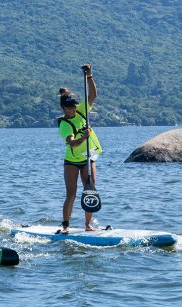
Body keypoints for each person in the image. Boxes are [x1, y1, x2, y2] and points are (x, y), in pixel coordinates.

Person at [57, 64, 103, 234]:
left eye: (74, 106)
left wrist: (89, 76)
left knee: (90, 190)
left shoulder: (81, 112)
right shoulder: (64, 124)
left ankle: (88, 225)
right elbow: (71, 142)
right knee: (71, 194)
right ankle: (66, 226)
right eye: (69, 107)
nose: (72, 109)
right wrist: (83, 137)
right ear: (63, 108)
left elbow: (93, 95)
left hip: (87, 158)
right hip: (72, 160)